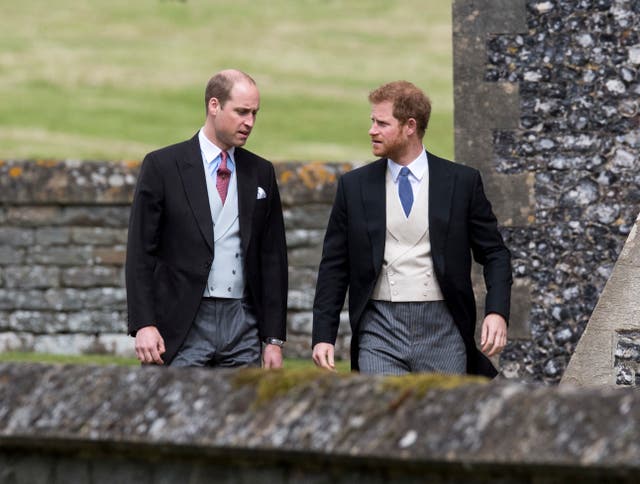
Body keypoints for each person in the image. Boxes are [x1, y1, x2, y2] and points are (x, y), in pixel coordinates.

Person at [312, 80, 512, 377]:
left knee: (444, 420)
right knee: (383, 417)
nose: (372, 130)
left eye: (382, 123)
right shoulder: (354, 187)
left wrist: (497, 312)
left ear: (409, 126)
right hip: (379, 330)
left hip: (443, 329)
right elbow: (334, 266)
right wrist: (323, 335)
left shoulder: (461, 182)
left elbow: (495, 253)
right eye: (372, 121)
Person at [126, 69, 287, 368]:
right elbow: (140, 253)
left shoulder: (261, 171)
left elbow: (273, 259)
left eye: (254, 113)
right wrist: (144, 324)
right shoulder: (162, 166)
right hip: (181, 324)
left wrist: (273, 339)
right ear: (214, 106)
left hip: (243, 325)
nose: (249, 122)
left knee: (243, 413)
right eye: (241, 112)